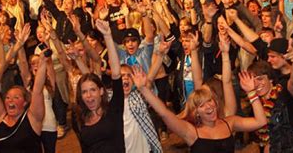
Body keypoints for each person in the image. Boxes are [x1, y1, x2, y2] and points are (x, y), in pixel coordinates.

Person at [131, 65, 266, 152]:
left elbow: (260, 121)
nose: (209, 106)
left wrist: (251, 92)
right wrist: (144, 89)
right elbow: (165, 114)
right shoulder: (191, 132)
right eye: (202, 105)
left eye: (210, 101)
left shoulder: (229, 123)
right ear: (196, 113)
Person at [0, 43, 47, 152]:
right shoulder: (0, 118)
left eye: (16, 97)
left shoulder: (33, 119)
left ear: (25, 102)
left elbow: (38, 91)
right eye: (8, 97)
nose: (10, 100)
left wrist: (42, 63)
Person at [75, 19, 125, 153]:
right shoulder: (81, 119)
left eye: (92, 90)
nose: (89, 95)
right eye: (84, 92)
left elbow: (116, 73)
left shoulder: (114, 109)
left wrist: (107, 36)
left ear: (101, 91)